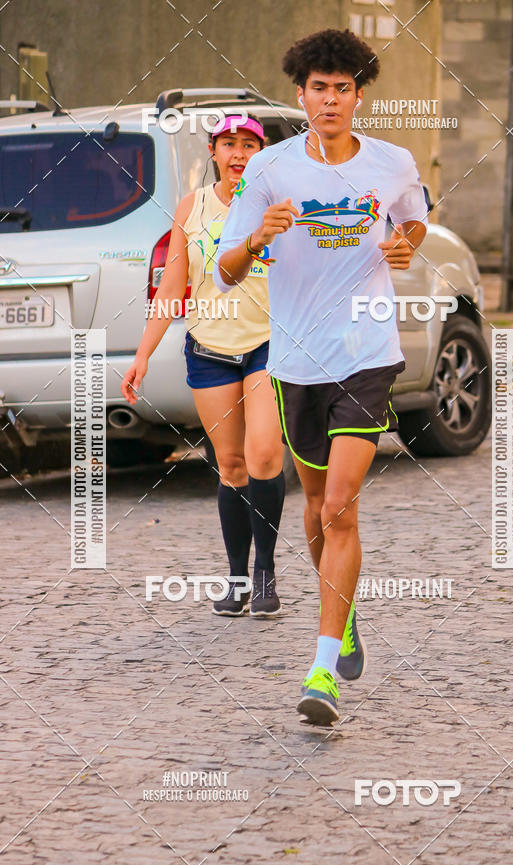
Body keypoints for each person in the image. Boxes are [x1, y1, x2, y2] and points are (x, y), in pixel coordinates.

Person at [214, 30, 429, 725]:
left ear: (358, 95)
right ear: (300, 95)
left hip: (367, 352)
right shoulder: (269, 171)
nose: (330, 99)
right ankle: (346, 610)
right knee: (313, 509)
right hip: (296, 361)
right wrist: (256, 238)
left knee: (340, 505)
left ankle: (321, 668)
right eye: (318, 88)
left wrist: (403, 246)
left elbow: (415, 222)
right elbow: (226, 269)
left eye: (342, 88)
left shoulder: (392, 162)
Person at [121, 114, 285, 618]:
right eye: (229, 144)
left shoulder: (281, 208)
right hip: (210, 347)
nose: (239, 153)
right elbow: (173, 287)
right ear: (213, 151)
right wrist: (142, 354)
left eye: (249, 145)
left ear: (262, 153)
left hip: (268, 344)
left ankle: (266, 574)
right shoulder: (191, 208)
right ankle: (237, 577)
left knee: (263, 457)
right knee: (231, 465)